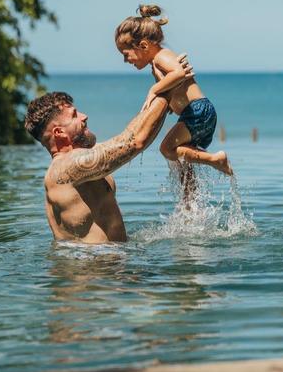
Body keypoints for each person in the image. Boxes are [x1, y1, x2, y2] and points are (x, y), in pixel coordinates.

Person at [24, 53, 191, 243]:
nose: (84, 116)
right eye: (74, 115)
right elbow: (134, 141)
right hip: (95, 268)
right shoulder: (65, 168)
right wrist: (170, 85)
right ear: (59, 133)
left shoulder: (78, 162)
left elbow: (132, 135)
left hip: (109, 265)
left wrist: (165, 88)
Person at [114, 4, 232, 177]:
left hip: (198, 111)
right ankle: (189, 202)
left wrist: (153, 89)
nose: (125, 60)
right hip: (195, 112)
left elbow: (179, 72)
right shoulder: (157, 63)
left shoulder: (161, 57)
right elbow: (173, 85)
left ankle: (216, 160)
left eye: (126, 54)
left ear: (143, 45)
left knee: (167, 149)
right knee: (183, 165)